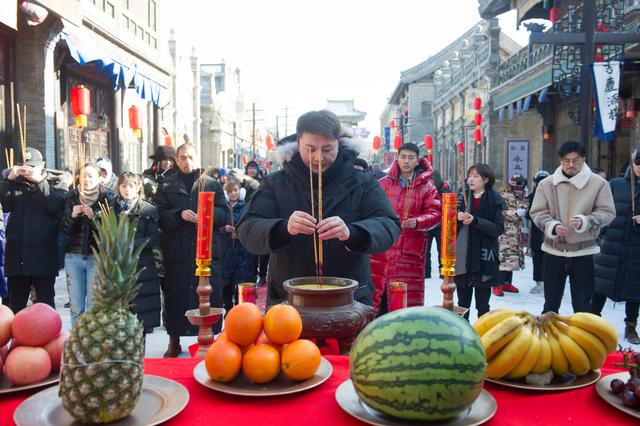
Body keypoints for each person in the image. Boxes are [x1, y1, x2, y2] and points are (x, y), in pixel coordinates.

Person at [236, 110, 401, 307]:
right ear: (298, 143)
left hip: (350, 300)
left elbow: (388, 224)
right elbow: (247, 227)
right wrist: (283, 228)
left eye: (327, 149)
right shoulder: (275, 183)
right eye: (310, 149)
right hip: (288, 301)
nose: (318, 157)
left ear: (339, 144)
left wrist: (353, 232)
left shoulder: (362, 182)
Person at [155, 143, 227, 358]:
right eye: (182, 157)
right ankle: (174, 340)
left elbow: (224, 214)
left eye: (190, 157)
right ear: (176, 160)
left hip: (206, 248)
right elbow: (159, 215)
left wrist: (206, 213)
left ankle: (208, 338)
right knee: (175, 296)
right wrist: (179, 215)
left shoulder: (211, 184)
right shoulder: (166, 184)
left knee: (208, 295)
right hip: (177, 249)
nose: (187, 162)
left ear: (197, 158)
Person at [530, 141, 616, 314]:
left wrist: (586, 221)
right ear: (560, 161)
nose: (570, 164)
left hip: (583, 253)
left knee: (583, 306)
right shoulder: (546, 184)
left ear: (584, 159)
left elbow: (607, 212)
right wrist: (552, 226)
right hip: (553, 252)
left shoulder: (599, 184)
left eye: (575, 160)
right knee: (550, 305)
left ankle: (582, 340)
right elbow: (537, 211)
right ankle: (550, 339)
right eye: (566, 160)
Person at [370, 143, 441, 314]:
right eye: (403, 157)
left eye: (411, 158)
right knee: (379, 298)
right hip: (384, 248)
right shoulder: (383, 183)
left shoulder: (427, 187)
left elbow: (436, 213)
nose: (406, 161)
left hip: (410, 251)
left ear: (417, 161)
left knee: (405, 303)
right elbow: (371, 210)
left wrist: (417, 222)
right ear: (397, 158)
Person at [0, 147, 65, 312]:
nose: (28, 171)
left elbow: (55, 206)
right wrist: (8, 180)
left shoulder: (54, 182)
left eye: (32, 167)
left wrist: (40, 181)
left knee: (45, 305)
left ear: (42, 165)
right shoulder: (15, 183)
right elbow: (6, 205)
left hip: (42, 256)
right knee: (16, 306)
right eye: (25, 167)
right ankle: (16, 338)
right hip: (17, 256)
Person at [591, 149, 640, 344]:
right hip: (611, 243)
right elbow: (599, 210)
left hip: (637, 246)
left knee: (635, 287)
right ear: (632, 162)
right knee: (600, 283)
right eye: (638, 162)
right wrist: (602, 234)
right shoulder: (615, 185)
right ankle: (593, 321)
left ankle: (631, 325)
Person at [61, 163, 113, 325]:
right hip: (73, 256)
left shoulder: (107, 197)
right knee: (76, 306)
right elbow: (64, 229)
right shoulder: (71, 196)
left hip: (96, 256)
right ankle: (77, 342)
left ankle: (92, 344)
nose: (86, 179)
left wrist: (95, 217)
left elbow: (110, 229)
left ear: (99, 178)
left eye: (91, 176)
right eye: (83, 176)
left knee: (94, 304)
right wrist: (72, 216)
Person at [112, 172, 162, 333]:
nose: (127, 189)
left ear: (138, 187)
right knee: (119, 319)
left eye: (131, 186)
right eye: (124, 185)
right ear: (118, 187)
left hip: (143, 265)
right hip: (117, 265)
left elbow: (153, 237)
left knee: (141, 317)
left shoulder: (148, 209)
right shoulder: (111, 207)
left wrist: (130, 245)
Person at [454, 164, 505, 320]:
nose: (471, 179)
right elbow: (448, 224)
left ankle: (484, 333)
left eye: (476, 176)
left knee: (483, 305)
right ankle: (462, 335)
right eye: (470, 176)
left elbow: (498, 228)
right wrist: (456, 218)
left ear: (486, 179)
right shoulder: (461, 197)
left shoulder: (495, 199)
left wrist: (475, 221)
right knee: (462, 303)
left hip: (485, 257)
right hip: (463, 257)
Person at [221, 180, 257, 313]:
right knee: (226, 280)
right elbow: (217, 225)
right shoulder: (223, 208)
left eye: (236, 190)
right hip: (227, 248)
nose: (233, 193)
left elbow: (250, 224)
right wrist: (224, 229)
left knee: (241, 280)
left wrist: (240, 231)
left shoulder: (246, 207)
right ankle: (228, 307)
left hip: (243, 250)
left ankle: (240, 308)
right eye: (230, 191)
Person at [495, 174, 529, 296]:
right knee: (504, 259)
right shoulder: (503, 195)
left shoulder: (521, 196)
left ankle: (506, 282)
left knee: (513, 259)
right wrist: (515, 213)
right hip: (505, 232)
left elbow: (525, 207)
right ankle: (496, 284)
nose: (520, 187)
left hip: (516, 231)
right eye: (518, 184)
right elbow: (501, 212)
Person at [527, 170, 550, 294]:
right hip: (538, 231)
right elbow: (528, 214)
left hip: (550, 231)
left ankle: (548, 282)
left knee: (549, 257)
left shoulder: (554, 196)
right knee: (538, 256)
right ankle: (540, 282)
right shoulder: (532, 196)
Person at [425, 169, 450, 279]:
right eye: (428, 179)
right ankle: (426, 271)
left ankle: (443, 270)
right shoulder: (425, 189)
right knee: (426, 249)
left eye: (432, 179)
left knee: (442, 249)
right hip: (428, 224)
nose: (430, 181)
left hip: (441, 224)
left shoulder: (445, 190)